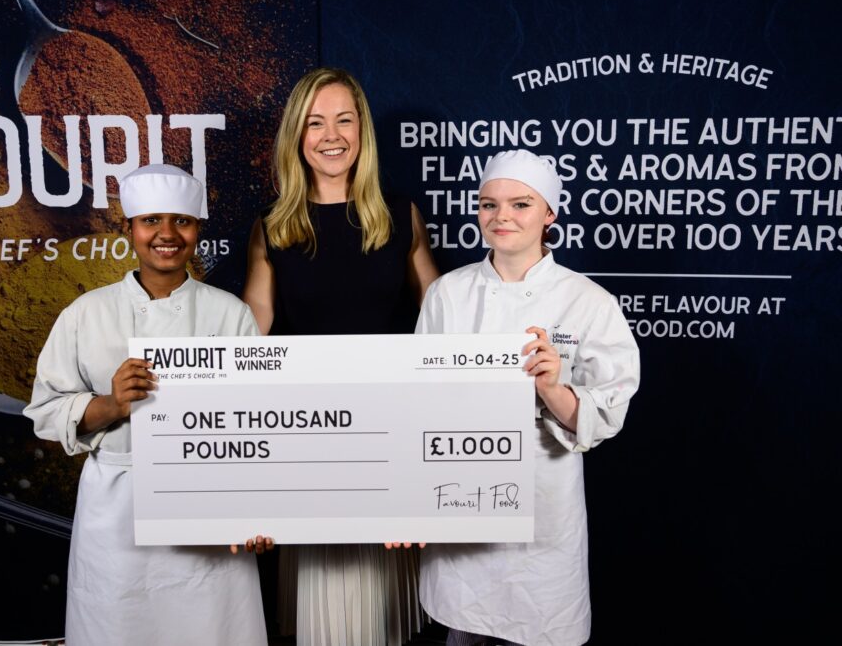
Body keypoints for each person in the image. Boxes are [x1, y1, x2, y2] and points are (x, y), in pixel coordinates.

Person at [24, 164, 269, 646]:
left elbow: (256, 423)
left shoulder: (230, 313)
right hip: (117, 514)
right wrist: (112, 405)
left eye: (182, 221)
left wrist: (258, 511)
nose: (167, 234)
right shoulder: (86, 313)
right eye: (151, 220)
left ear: (197, 229)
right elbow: (46, 412)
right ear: (129, 230)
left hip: (208, 512)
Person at [243, 67, 439, 646]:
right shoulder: (272, 227)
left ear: (362, 131)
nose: (331, 135)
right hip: (309, 437)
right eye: (315, 122)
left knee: (387, 610)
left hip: (389, 434)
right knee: (324, 613)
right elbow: (248, 335)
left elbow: (444, 323)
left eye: (344, 120)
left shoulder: (400, 216)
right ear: (296, 136)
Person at [415, 149, 641, 646]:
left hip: (544, 511)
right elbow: (420, 405)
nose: (502, 218)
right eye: (488, 204)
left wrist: (551, 388)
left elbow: (604, 418)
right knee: (463, 629)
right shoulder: (447, 295)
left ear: (550, 213)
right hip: (462, 506)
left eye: (520, 204)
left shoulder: (589, 301)